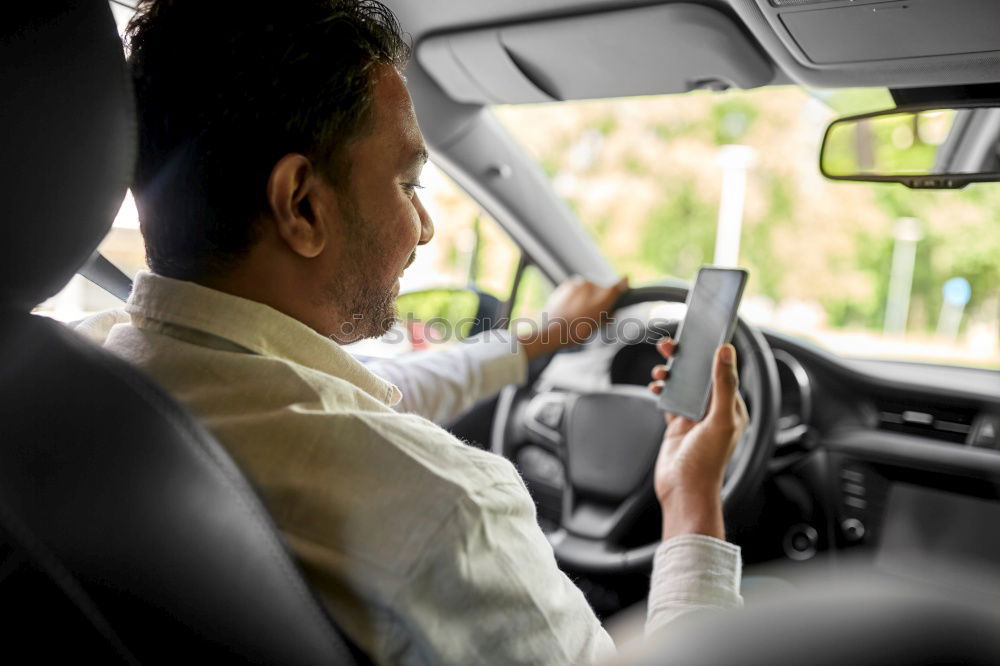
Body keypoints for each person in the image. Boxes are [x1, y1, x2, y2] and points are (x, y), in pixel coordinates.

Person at [86, 1, 749, 663]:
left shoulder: (84, 369)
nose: (425, 227)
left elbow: (383, 391)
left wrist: (538, 339)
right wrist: (691, 500)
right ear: (302, 204)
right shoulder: (446, 513)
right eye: (409, 184)